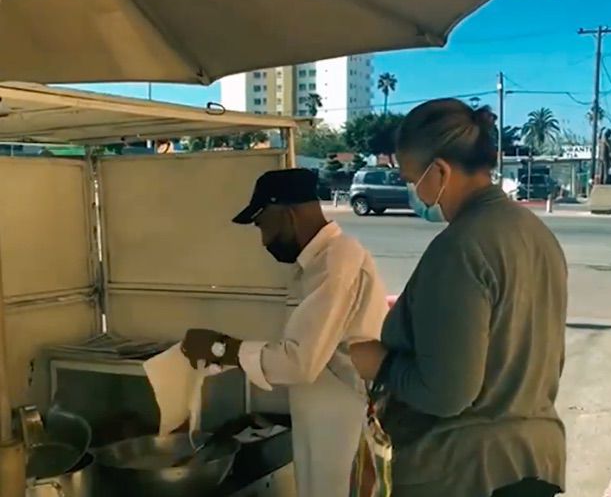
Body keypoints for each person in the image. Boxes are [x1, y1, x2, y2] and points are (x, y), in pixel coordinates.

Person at [350, 99, 567, 497]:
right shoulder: (537, 234)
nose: (412, 190)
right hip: (534, 460)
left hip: (463, 471)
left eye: (410, 177)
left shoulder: (460, 248)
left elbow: (447, 393)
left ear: (440, 171)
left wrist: (379, 363)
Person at [181, 168, 389, 497]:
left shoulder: (336, 263)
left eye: (262, 225)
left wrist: (222, 348)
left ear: (287, 213)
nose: (263, 240)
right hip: (320, 417)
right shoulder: (316, 264)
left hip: (342, 423)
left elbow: (300, 362)